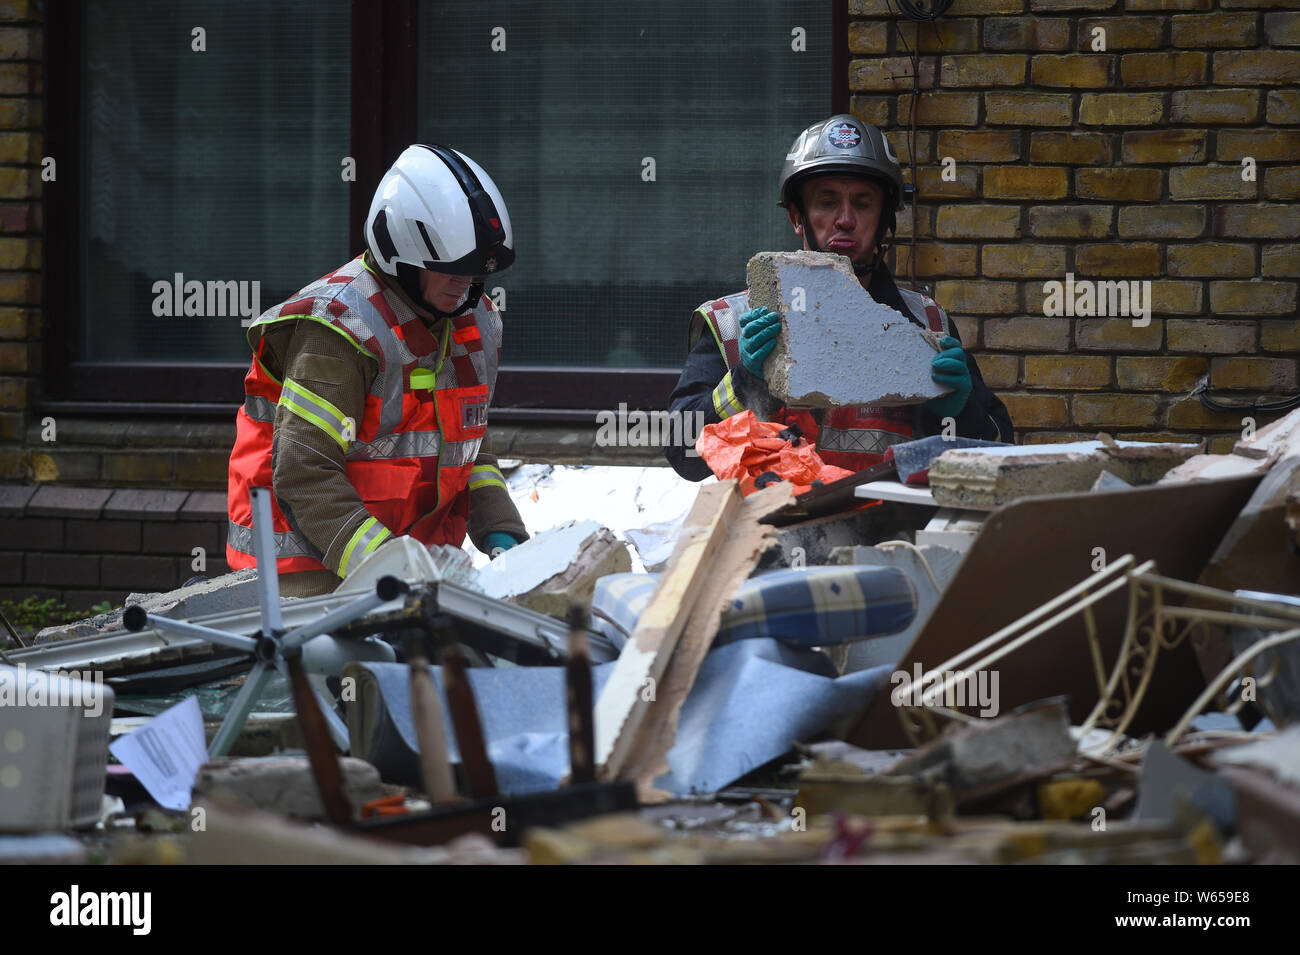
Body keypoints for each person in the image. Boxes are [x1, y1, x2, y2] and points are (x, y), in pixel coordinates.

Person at [226, 144, 527, 597]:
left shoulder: (476, 320)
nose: (464, 285)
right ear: (400, 259)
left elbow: (469, 442)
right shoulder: (338, 329)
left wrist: (503, 532)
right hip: (306, 576)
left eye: (474, 273)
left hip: (411, 573)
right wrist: (390, 567)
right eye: (449, 271)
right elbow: (305, 471)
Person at [665, 115, 1012, 481]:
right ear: (798, 217)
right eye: (827, 202)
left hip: (897, 535)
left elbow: (1001, 454)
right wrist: (745, 382)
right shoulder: (731, 324)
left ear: (884, 220)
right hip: (771, 534)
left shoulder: (928, 324)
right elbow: (682, 452)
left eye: (862, 204)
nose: (845, 220)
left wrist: (957, 412)